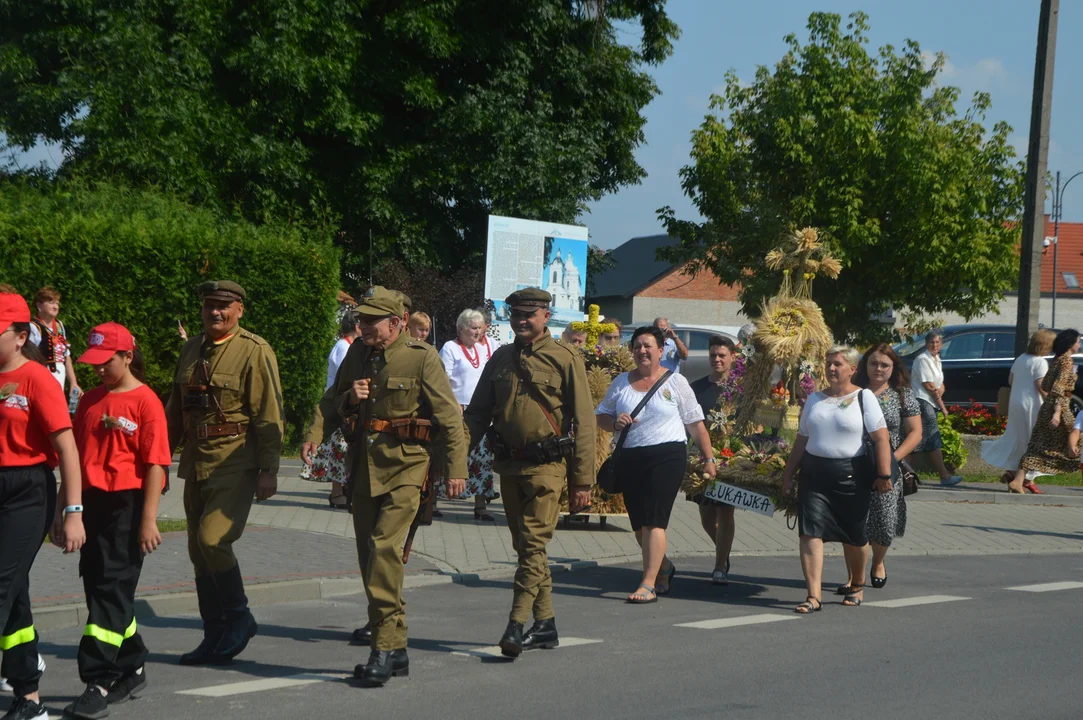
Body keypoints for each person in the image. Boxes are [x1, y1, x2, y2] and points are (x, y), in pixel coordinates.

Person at [306, 286, 467, 686]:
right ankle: (397, 648)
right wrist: (319, 428)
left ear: (395, 324)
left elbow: (448, 416)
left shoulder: (421, 357)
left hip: (407, 468)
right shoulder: (358, 353)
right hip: (363, 467)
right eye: (360, 319)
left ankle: (383, 646)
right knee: (368, 556)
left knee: (382, 547)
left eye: (370, 320)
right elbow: (332, 400)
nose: (362, 325)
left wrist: (455, 470)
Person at [464, 288, 595, 658]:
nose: (521, 320)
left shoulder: (565, 358)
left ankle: (515, 624)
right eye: (515, 314)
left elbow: (585, 422)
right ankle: (546, 623)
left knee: (533, 545)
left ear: (544, 315)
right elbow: (476, 415)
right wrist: (455, 459)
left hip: (547, 467)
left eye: (529, 314)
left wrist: (582, 480)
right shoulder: (501, 358)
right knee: (526, 548)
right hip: (508, 465)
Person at [165, 280, 284, 666]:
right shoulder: (191, 347)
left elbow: (269, 414)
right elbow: (175, 408)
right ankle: (213, 634)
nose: (215, 312)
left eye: (223, 306)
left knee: (213, 539)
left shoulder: (254, 350)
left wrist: (269, 469)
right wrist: (158, 459)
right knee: (198, 551)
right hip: (196, 459)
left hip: (236, 459)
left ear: (239, 310)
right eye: (209, 305)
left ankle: (239, 616)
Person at [64, 323, 170, 719]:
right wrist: (67, 510)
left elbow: (156, 464)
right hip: (91, 505)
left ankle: (99, 679)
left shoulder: (146, 403)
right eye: (93, 364)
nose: (99, 371)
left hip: (127, 506)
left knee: (111, 587)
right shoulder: (90, 402)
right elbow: (72, 460)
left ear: (127, 356)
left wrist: (149, 520)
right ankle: (133, 662)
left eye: (106, 362)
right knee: (99, 587)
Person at [0, 288, 85, 720]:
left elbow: (67, 450)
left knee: (1, 584)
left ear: (19, 336)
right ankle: (28, 697)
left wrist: (72, 512)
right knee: (13, 593)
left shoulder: (36, 379)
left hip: (28, 489)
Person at [597, 327, 716, 603]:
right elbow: (601, 416)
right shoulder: (621, 383)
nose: (642, 351)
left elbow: (695, 424)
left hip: (667, 456)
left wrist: (709, 459)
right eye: (637, 346)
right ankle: (664, 567)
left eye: (648, 346)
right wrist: (615, 422)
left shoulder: (676, 382)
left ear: (661, 351)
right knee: (639, 525)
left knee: (654, 520)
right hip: (630, 457)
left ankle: (647, 583)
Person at [781, 346, 893, 614]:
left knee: (855, 536)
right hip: (814, 475)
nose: (831, 368)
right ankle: (813, 596)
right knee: (809, 532)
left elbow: (881, 438)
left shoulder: (864, 397)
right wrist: (788, 474)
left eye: (838, 364)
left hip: (852, 475)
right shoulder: (814, 400)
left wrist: (884, 474)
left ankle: (857, 584)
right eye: (829, 363)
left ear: (852, 369)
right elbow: (802, 439)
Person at [851, 344, 922, 591]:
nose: (878, 368)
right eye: (873, 363)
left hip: (888, 465)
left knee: (884, 519)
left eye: (884, 364)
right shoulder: (853, 391)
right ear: (865, 365)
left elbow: (915, 432)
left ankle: (878, 562)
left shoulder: (902, 395)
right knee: (855, 521)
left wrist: (892, 459)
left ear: (894, 368)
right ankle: (854, 573)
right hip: (855, 462)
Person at [437, 309, 498, 520]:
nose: (477, 332)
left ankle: (480, 506)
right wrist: (453, 404)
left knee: (482, 457)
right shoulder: (450, 348)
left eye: (480, 328)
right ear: (460, 328)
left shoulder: (485, 348)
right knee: (451, 454)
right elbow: (442, 380)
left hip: (481, 411)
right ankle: (432, 502)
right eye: (473, 328)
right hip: (458, 410)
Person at [688, 336, 738, 585]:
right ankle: (724, 551)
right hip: (701, 459)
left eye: (722, 355)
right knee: (706, 514)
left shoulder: (740, 389)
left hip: (731, 458)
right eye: (713, 355)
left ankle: (720, 565)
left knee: (725, 511)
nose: (717, 360)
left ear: (732, 357)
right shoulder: (696, 387)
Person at [301, 311, 363, 509]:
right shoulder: (344, 347)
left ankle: (342, 490)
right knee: (339, 452)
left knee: (342, 452)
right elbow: (342, 380)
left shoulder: (352, 346)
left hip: (345, 406)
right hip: (339, 408)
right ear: (357, 327)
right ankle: (337, 493)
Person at [982, 329, 1055, 491]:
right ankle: (1019, 480)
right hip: (1031, 405)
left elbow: (1010, 380)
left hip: (1015, 403)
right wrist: (1055, 401)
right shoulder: (1040, 362)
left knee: (1018, 439)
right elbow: (1041, 386)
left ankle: (1012, 473)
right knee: (1033, 442)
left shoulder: (1021, 358)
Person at [1013, 329, 1081, 493]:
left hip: (1048, 406)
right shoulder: (1066, 362)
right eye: (1078, 341)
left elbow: (1045, 386)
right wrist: (1057, 412)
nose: (1079, 345)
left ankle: (1018, 479)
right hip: (1059, 407)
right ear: (1071, 344)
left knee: (1038, 446)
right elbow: (1057, 388)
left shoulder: (1057, 360)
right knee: (1076, 439)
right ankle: (1019, 479)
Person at [910, 330, 963, 487]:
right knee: (933, 438)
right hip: (923, 401)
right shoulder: (922, 360)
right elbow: (929, 386)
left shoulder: (937, 359)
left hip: (931, 402)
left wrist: (941, 391)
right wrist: (943, 407)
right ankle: (944, 476)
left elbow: (939, 383)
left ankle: (907, 477)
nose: (934, 345)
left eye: (937, 342)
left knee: (917, 441)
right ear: (926, 344)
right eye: (931, 342)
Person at [28, 286, 81, 403]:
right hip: (42, 375)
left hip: (59, 375)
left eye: (57, 303)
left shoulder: (59, 325)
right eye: (51, 302)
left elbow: (66, 356)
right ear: (39, 305)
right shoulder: (33, 326)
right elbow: (29, 356)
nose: (56, 306)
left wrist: (73, 382)